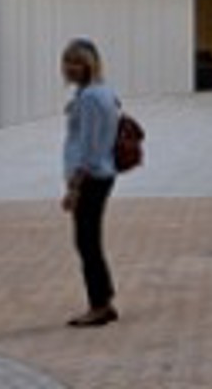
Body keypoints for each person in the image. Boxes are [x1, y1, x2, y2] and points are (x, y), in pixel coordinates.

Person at [59, 37, 120, 327]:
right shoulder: (100, 93)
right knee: (88, 240)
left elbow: (89, 147)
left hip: (92, 177)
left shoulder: (92, 98)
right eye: (66, 61)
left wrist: (74, 187)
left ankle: (99, 305)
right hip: (98, 175)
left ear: (89, 65)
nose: (69, 68)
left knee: (86, 242)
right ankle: (103, 297)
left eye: (75, 62)